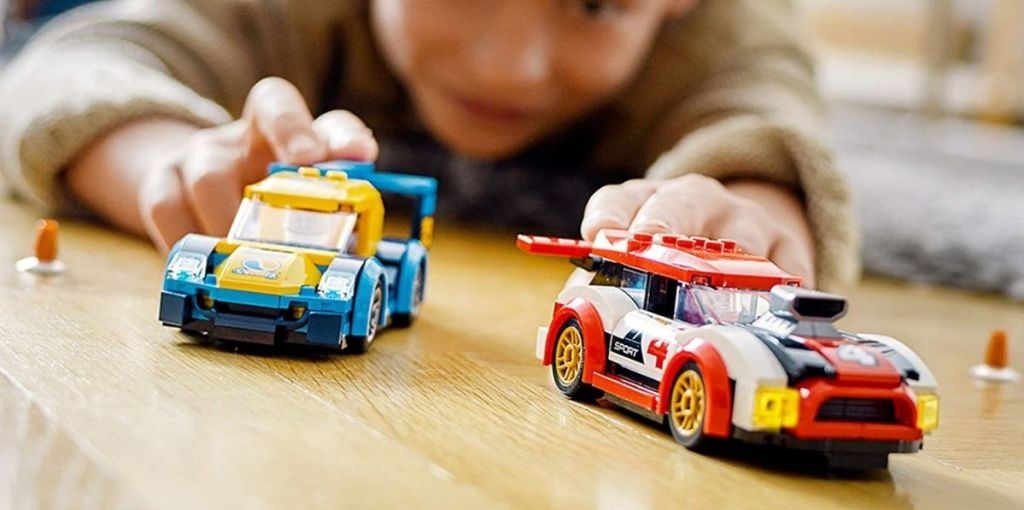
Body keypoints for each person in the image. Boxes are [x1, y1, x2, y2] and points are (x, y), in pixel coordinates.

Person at [0, 0, 858, 290]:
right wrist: (164, 158)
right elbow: (74, 65)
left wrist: (757, 212)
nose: (511, 68)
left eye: (597, 4)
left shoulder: (726, 30)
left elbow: (766, 122)